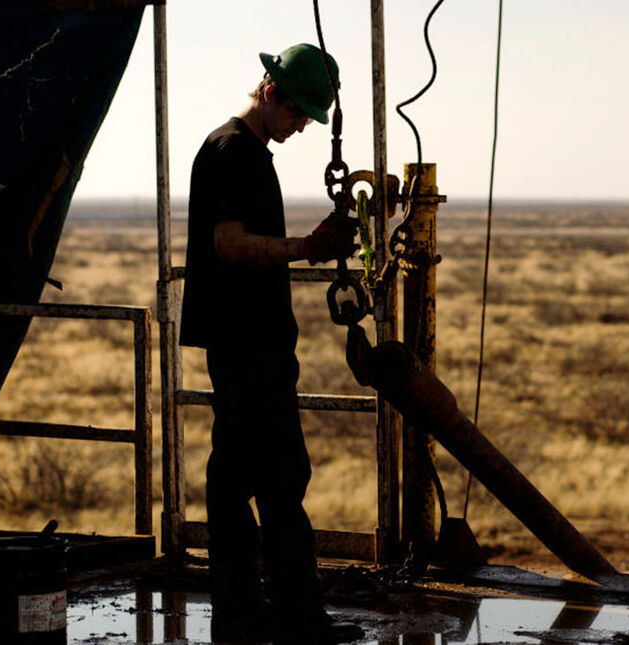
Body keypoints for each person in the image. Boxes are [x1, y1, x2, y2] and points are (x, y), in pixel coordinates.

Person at [179, 43, 363, 643]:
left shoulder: (236, 148)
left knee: (232, 478)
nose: (302, 124)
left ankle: (238, 612)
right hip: (250, 343)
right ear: (269, 91)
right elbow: (229, 244)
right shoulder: (236, 153)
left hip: (237, 340)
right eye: (297, 111)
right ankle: (297, 616)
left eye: (310, 115)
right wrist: (310, 248)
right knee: (282, 476)